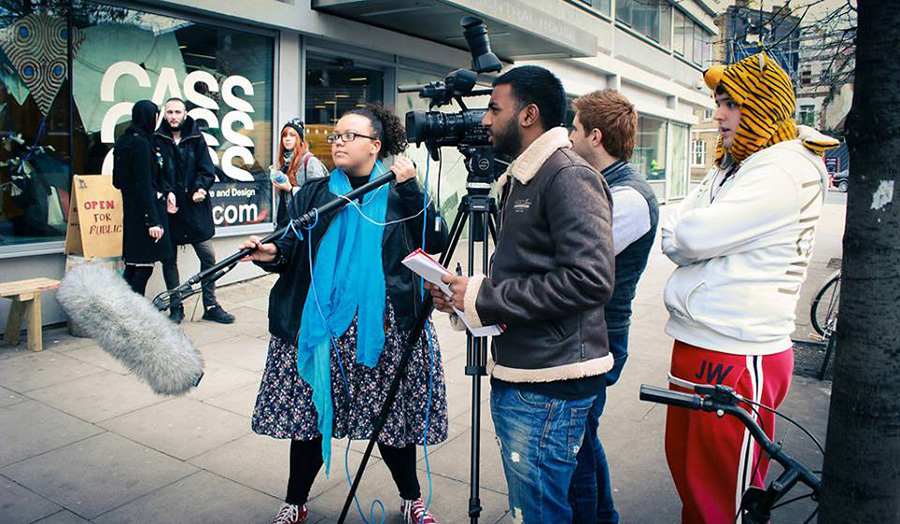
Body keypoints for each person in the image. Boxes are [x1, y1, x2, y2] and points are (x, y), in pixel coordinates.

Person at [240, 103, 449, 524]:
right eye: (335, 135)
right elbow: (290, 247)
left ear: (376, 145)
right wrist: (269, 252)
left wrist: (412, 189)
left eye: (349, 135)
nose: (338, 142)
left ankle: (411, 498)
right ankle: (294, 501)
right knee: (311, 420)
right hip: (320, 326)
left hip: (381, 328)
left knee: (391, 421)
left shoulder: (398, 190)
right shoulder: (314, 194)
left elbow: (435, 237)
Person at [428, 65, 616, 524]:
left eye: (495, 108)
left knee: (539, 513)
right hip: (531, 370)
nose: (485, 121)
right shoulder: (523, 176)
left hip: (550, 382)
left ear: (529, 114)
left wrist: (481, 293)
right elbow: (525, 272)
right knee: (561, 505)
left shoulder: (567, 174)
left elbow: (590, 279)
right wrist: (464, 298)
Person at [661, 52, 838, 523]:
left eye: (731, 103)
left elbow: (690, 234)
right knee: (692, 481)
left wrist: (686, 231)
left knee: (722, 497)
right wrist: (685, 230)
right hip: (705, 341)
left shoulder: (780, 169)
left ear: (761, 106)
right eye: (719, 102)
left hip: (736, 352)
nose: (718, 115)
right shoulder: (739, 165)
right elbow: (677, 223)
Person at [566, 89, 659, 524]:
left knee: (575, 447)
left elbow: (571, 259)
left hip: (601, 338)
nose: (568, 136)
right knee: (582, 438)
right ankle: (603, 515)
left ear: (596, 137)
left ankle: (594, 517)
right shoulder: (606, 186)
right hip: (591, 334)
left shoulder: (629, 198)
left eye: (575, 127)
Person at [155, 97, 234, 324]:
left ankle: (210, 304)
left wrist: (200, 187)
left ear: (185, 113)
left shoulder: (196, 138)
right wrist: (166, 191)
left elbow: (207, 170)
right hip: (171, 212)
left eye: (177, 112)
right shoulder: (157, 139)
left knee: (208, 257)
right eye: (169, 112)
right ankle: (175, 306)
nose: (173, 116)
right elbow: (155, 174)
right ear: (164, 114)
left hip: (195, 209)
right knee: (169, 261)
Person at [113, 99, 174, 295]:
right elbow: (144, 183)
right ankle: (132, 313)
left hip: (131, 211)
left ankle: (121, 309)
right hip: (145, 214)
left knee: (133, 266)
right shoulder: (142, 144)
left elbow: (117, 181)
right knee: (144, 268)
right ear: (152, 117)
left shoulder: (124, 141)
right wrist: (152, 221)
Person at [272, 118, 329, 223]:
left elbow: (318, 196)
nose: (287, 139)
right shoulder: (285, 163)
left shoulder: (310, 162)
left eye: (292, 135)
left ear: (300, 139)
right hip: (284, 222)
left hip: (302, 224)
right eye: (284, 135)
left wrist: (290, 188)